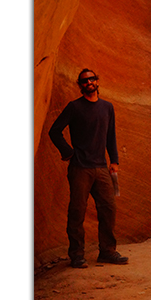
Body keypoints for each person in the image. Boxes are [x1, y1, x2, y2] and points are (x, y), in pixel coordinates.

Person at [48, 68, 128, 267]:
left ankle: (108, 252)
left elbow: (111, 136)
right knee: (77, 211)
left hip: (101, 168)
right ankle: (76, 255)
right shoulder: (74, 107)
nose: (89, 82)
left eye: (92, 79)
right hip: (80, 168)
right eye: (84, 81)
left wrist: (114, 161)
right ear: (80, 85)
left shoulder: (107, 107)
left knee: (109, 209)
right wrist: (68, 152)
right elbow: (54, 131)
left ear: (97, 82)